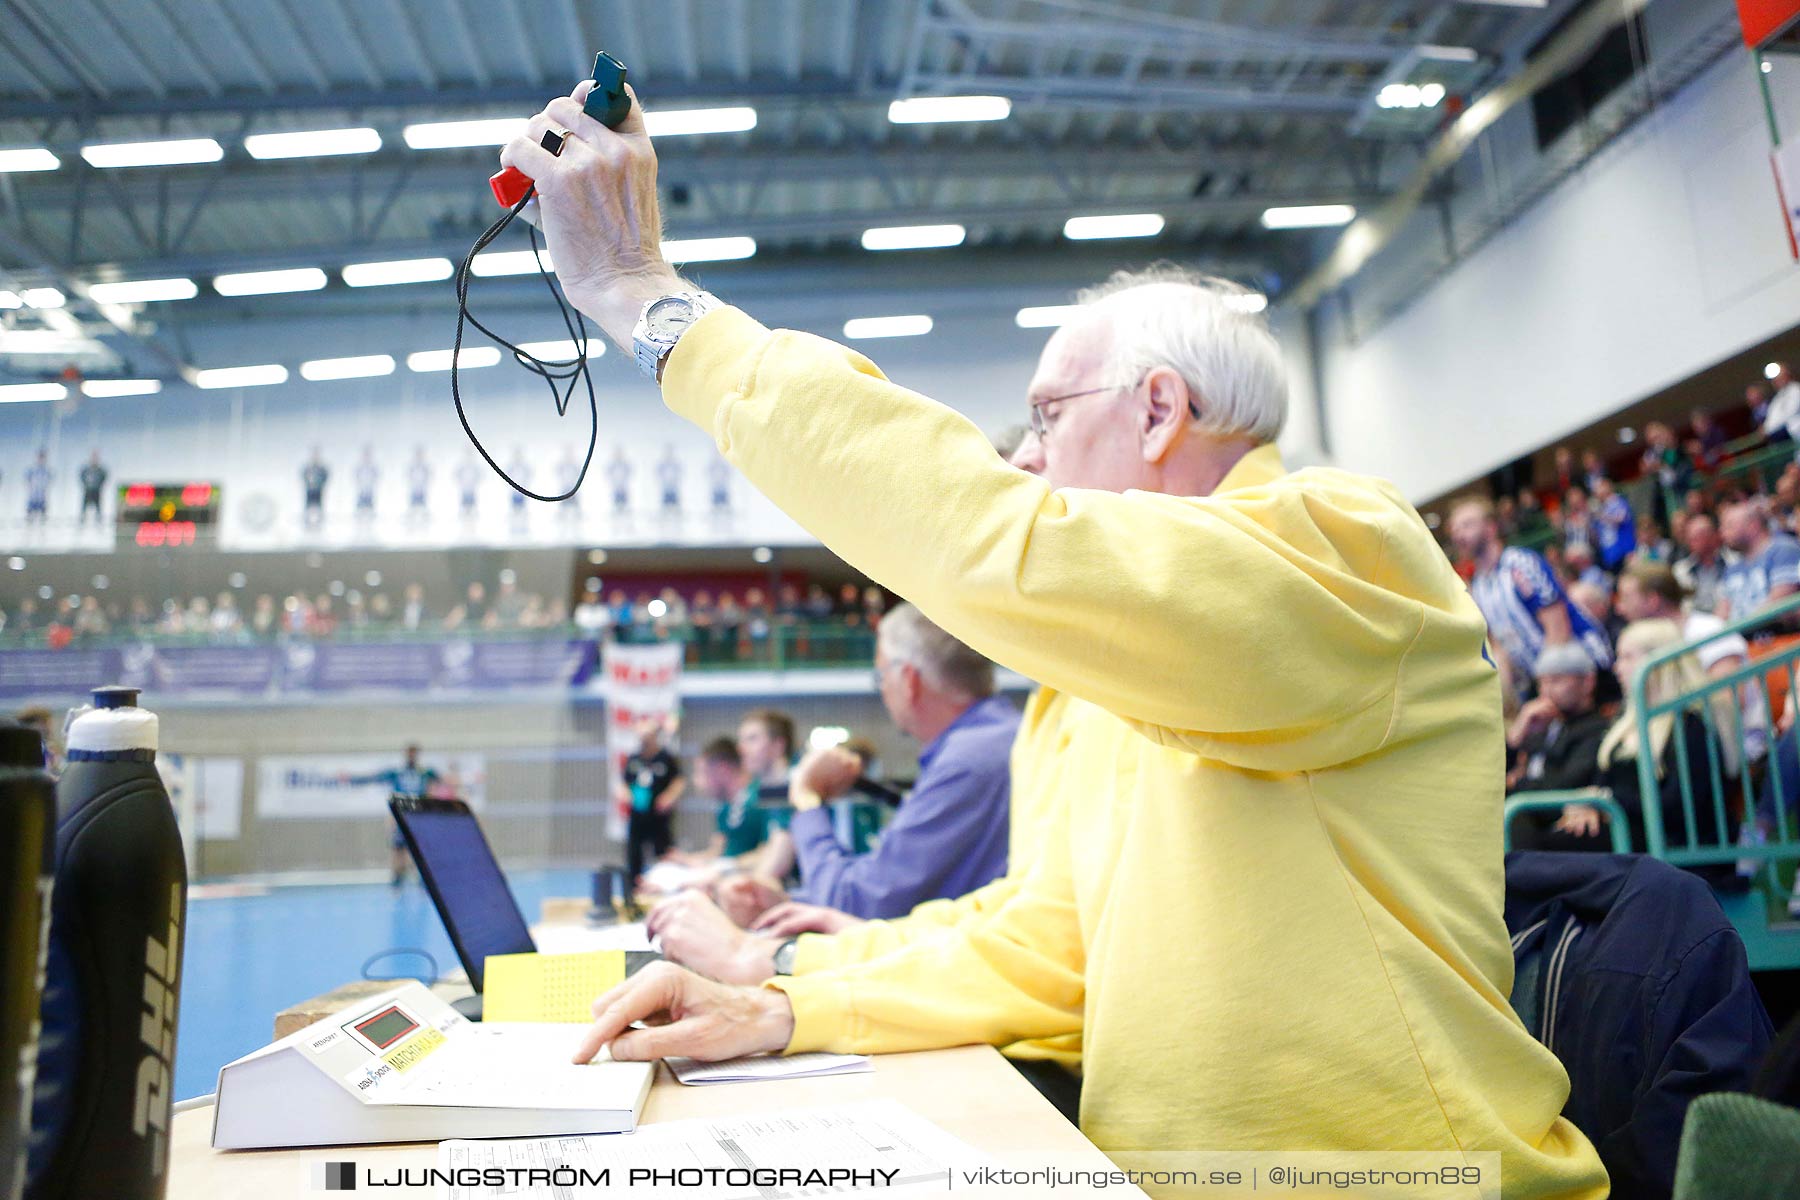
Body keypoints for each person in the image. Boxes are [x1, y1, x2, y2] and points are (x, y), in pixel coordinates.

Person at [507, 86, 1607, 1196]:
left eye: (1044, 417)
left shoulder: (1346, 552)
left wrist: (646, 297)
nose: (1025, 460)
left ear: (1159, 410)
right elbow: (1050, 950)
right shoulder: (1090, 694)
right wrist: (785, 994)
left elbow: (992, 535)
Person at [670, 604, 1016, 940]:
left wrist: (807, 800)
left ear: (908, 680)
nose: (881, 689)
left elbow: (857, 903)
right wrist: (792, 903)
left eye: (880, 676)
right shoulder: (1000, 740)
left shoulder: (966, 762)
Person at [1553, 620, 1739, 879]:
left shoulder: (1691, 723)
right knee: (1546, 840)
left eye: (1628, 658)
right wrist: (1587, 807)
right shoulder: (1625, 719)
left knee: (1554, 849)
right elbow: (1603, 782)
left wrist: (1607, 800)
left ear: (1659, 662)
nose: (1617, 668)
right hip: (1631, 836)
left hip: (1677, 847)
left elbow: (1679, 805)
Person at [1449, 495, 1613, 699]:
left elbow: (1557, 626)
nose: (1459, 534)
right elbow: (1500, 646)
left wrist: (1548, 688)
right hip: (1548, 681)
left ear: (1491, 528)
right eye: (1454, 529)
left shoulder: (1519, 563)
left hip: (1584, 668)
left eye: (1467, 525)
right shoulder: (1480, 586)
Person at [1616, 560, 1766, 766]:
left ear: (1652, 600)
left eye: (1625, 598)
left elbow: (1729, 704)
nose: (1619, 608)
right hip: (1675, 745)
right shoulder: (1644, 640)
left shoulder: (1709, 631)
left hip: (1725, 748)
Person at [1505, 643, 1612, 849]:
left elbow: (1566, 784)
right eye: (1541, 684)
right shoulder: (1540, 728)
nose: (1546, 692)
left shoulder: (1598, 729)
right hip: (1528, 821)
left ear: (1588, 682)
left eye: (1556, 681)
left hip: (1560, 827)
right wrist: (1516, 737)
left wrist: (1516, 785)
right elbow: (1495, 776)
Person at [343, 744, 442, 885]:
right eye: (409, 753)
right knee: (398, 848)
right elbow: (374, 777)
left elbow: (444, 782)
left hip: (418, 816)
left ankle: (422, 877)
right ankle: (397, 877)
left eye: (414, 753)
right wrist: (352, 779)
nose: (411, 756)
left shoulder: (426, 773)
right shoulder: (397, 773)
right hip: (401, 815)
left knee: (420, 848)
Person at [617, 717, 684, 895]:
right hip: (638, 815)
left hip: (659, 816)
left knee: (663, 854)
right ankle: (633, 892)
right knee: (634, 855)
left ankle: (666, 889)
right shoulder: (634, 758)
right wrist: (625, 795)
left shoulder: (666, 757)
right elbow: (623, 783)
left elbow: (679, 780)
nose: (644, 740)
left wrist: (669, 796)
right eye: (641, 737)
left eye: (647, 736)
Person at [1717, 499, 1800, 625]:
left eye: (1729, 525)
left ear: (1752, 525)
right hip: (1740, 639)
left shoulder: (1783, 550)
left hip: (1777, 637)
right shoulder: (1732, 568)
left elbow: (1779, 604)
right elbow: (1721, 615)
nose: (1722, 532)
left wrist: (1735, 629)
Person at [1673, 512, 1736, 614]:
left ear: (1714, 535)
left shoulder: (1734, 561)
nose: (1693, 541)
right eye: (1691, 537)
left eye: (1699, 535)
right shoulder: (1680, 570)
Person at [1591, 476, 1636, 570]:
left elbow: (1621, 518)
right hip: (1610, 556)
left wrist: (1602, 516)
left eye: (1599, 487)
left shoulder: (1618, 501)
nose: (1597, 491)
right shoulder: (1601, 508)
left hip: (1624, 551)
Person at [300, 448, 328, 530]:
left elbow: (325, 478)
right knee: (308, 511)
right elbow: (303, 477)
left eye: (316, 455)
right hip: (309, 493)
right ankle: (307, 526)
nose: (315, 457)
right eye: (313, 455)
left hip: (318, 493)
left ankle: (319, 526)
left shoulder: (322, 469)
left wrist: (318, 484)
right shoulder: (307, 469)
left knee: (319, 511)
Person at [77, 450, 107, 526]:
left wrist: (99, 485)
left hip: (96, 492)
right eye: (93, 457)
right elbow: (81, 476)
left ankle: (99, 523)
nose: (94, 459)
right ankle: (81, 523)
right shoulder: (86, 469)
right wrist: (85, 485)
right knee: (84, 509)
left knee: (98, 510)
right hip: (88, 491)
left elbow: (104, 477)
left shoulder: (100, 470)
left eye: (96, 457)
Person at [406, 446, 431, 525]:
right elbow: (408, 477)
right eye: (418, 454)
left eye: (420, 454)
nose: (419, 456)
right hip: (414, 491)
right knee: (412, 510)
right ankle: (412, 524)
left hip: (422, 491)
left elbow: (429, 477)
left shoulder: (425, 467)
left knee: (423, 510)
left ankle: (424, 525)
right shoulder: (412, 466)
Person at [24, 449, 50, 526]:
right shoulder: (32, 470)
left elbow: (50, 480)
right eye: (39, 458)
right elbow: (26, 479)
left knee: (43, 520)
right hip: (33, 498)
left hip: (42, 498)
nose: (41, 460)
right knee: (29, 519)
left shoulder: (46, 470)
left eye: (43, 458)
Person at [354, 446, 379, 521]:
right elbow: (356, 478)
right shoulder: (359, 467)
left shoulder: (373, 468)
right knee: (359, 513)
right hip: (361, 493)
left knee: (370, 513)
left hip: (369, 493)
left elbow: (376, 478)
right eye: (365, 455)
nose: (366, 457)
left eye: (368, 455)